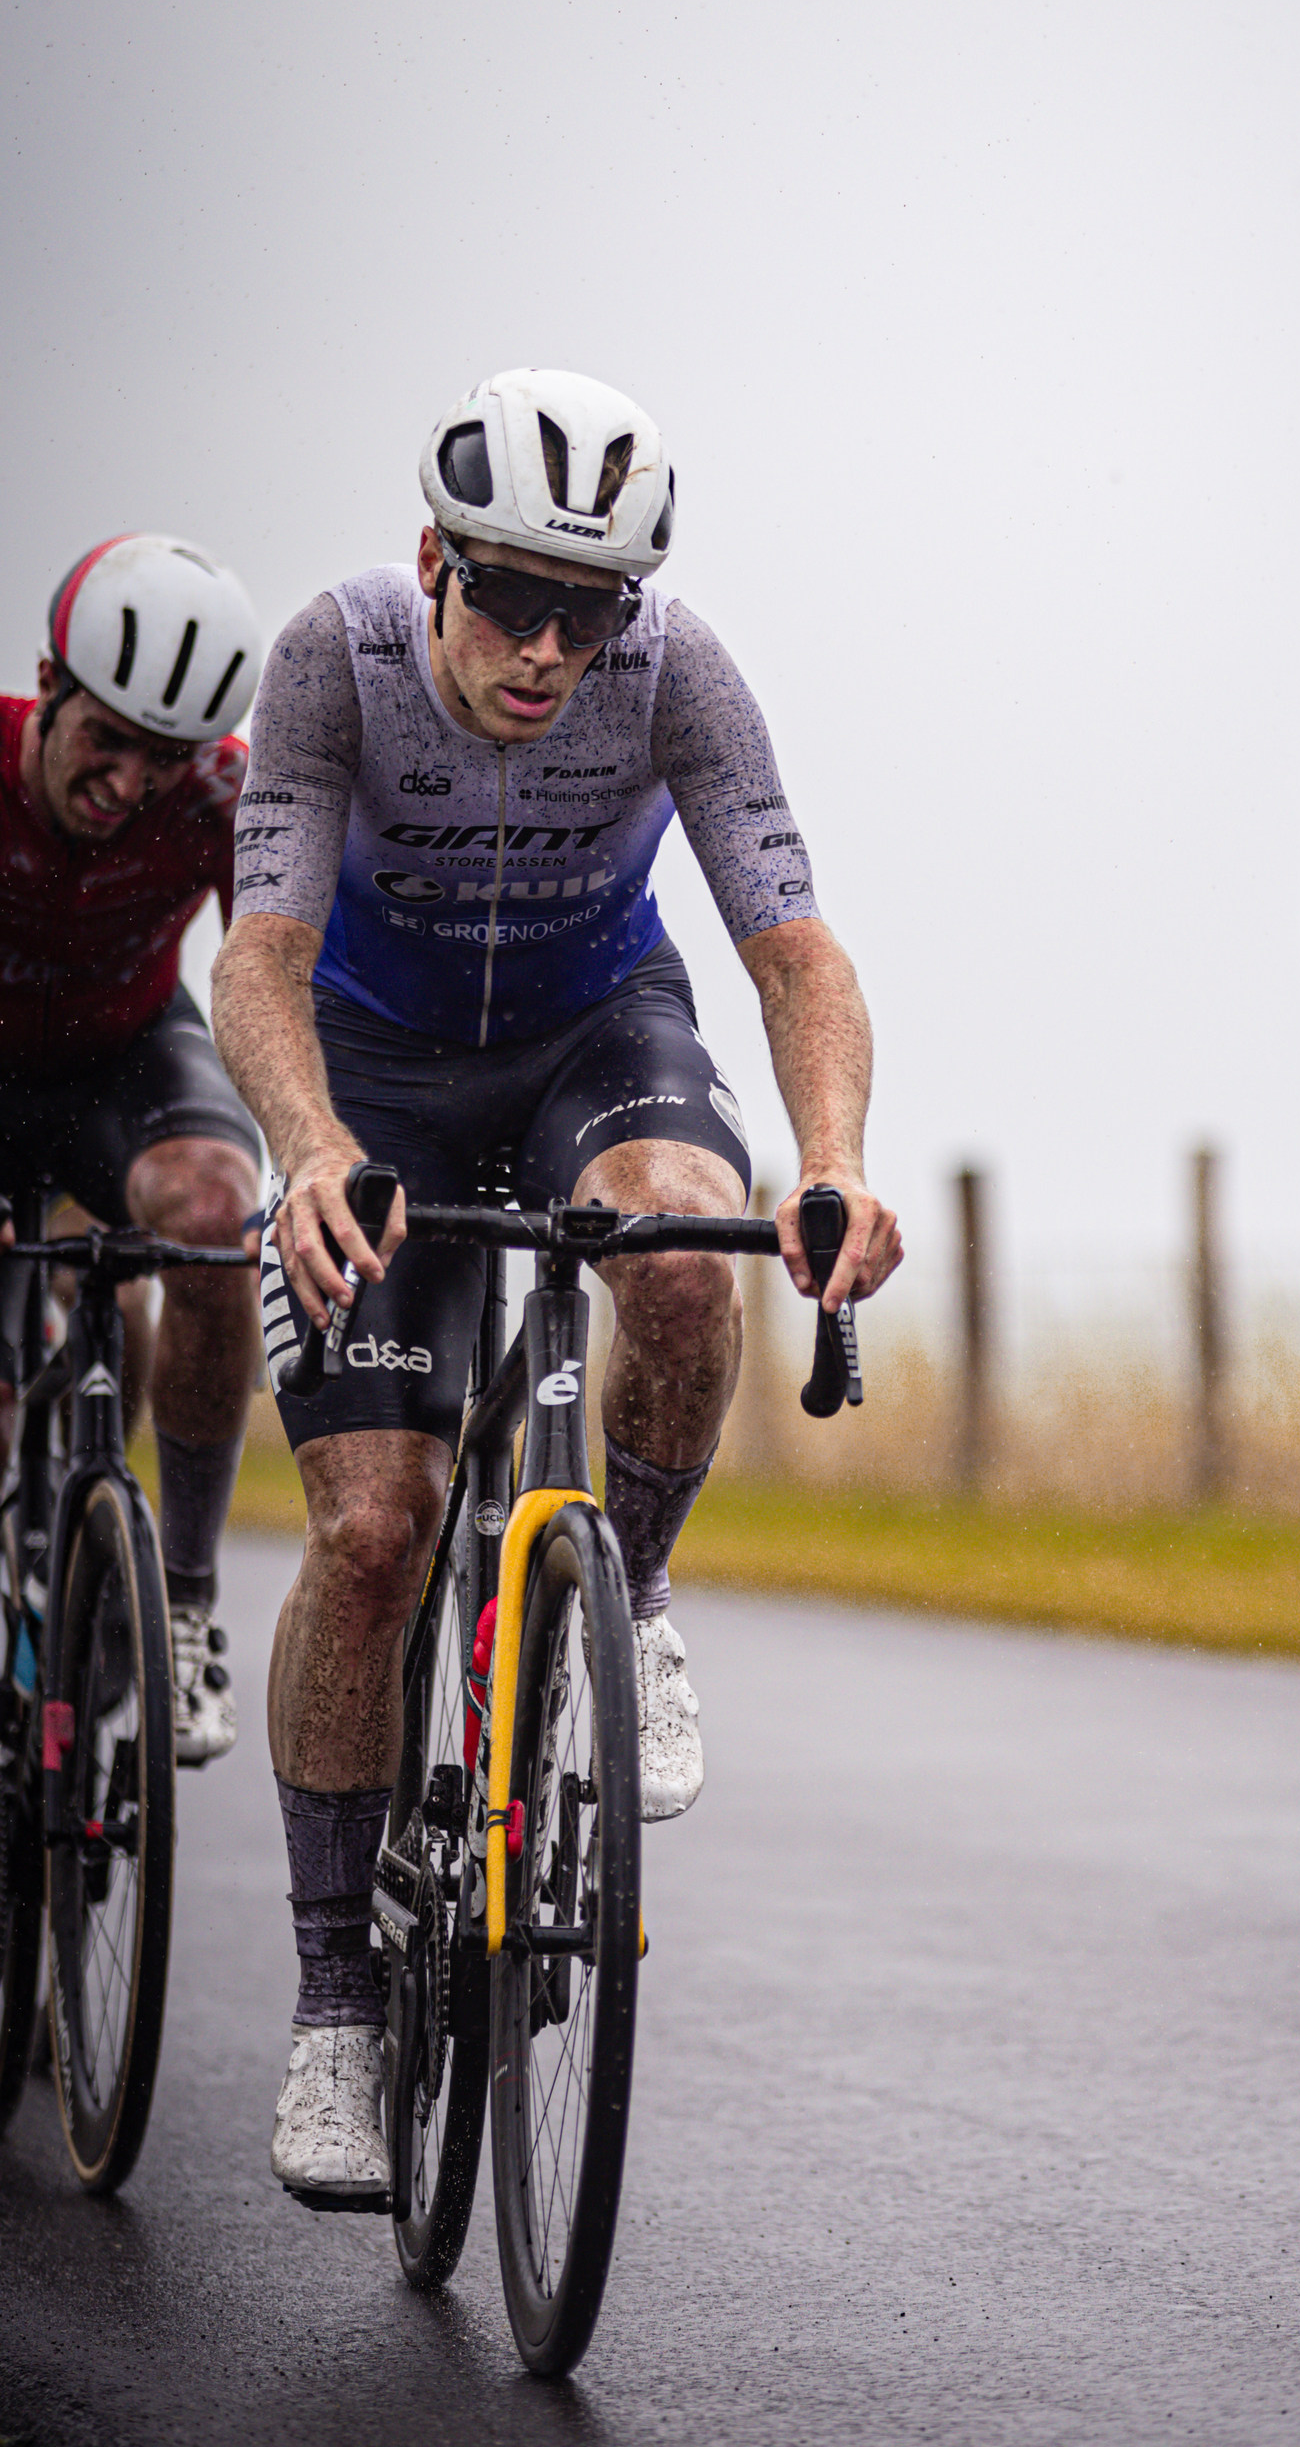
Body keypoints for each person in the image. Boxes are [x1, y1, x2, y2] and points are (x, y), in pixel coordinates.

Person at [210, 364, 900, 2204]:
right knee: (374, 1534)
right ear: (433, 559)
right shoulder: (330, 660)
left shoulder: (677, 673)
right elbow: (260, 957)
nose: (545, 646)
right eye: (510, 594)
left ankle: (640, 1597)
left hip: (601, 1024)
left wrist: (829, 1162)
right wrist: (304, 1149)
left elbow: (797, 949)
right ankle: (339, 2014)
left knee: (688, 1240)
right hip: (376, 1064)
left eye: (585, 611)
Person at [0, 536, 266, 1767]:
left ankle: (187, 1603)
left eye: (164, 759)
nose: (126, 780)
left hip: (124, 1048)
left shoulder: (222, 791)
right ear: (49, 687)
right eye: (105, 737)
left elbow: (271, 965)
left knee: (218, 1216)